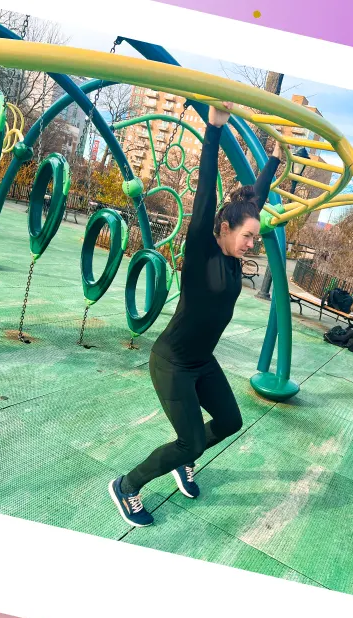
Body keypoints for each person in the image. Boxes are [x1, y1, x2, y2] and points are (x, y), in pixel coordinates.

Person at [108, 101, 282, 527]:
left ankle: (186, 457)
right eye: (247, 237)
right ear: (224, 229)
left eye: (255, 238)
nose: (251, 245)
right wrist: (215, 129)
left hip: (202, 361)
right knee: (188, 442)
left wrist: (274, 158)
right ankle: (127, 485)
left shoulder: (236, 246)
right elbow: (206, 191)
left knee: (229, 420)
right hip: (172, 362)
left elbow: (254, 197)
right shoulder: (204, 248)